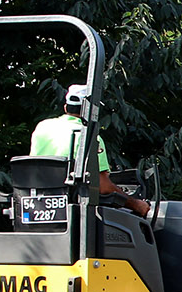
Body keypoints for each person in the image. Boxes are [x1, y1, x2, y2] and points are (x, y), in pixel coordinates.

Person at [29, 84, 150, 217]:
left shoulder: (42, 128)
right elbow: (102, 186)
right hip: (74, 214)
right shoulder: (90, 138)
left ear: (65, 107)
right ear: (91, 110)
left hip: (38, 208)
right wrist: (136, 204)